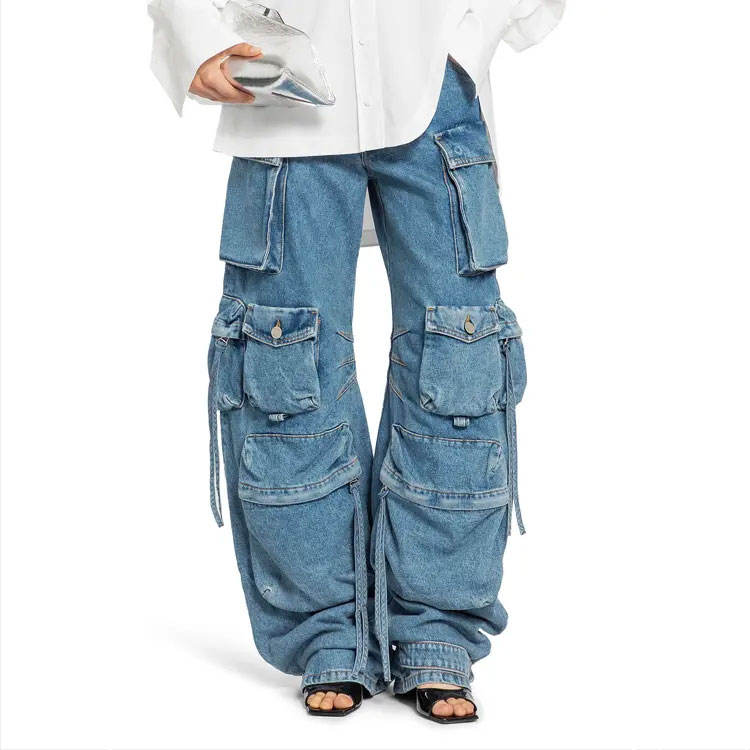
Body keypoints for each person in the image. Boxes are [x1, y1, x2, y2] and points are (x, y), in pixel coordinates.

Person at [148, 0, 564, 723]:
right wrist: (199, 37)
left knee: (456, 360)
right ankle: (324, 630)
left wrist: (467, 43)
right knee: (284, 363)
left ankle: (437, 629)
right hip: (284, 90)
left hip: (434, 92)